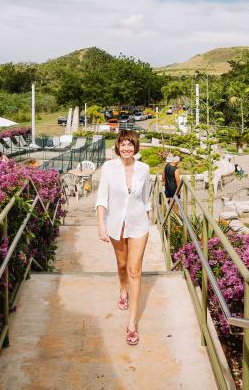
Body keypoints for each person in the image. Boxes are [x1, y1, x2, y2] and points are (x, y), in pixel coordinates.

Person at [95, 129, 151, 346]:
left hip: (139, 225)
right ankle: (122, 289)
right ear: (117, 146)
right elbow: (102, 199)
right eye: (123, 144)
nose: (126, 148)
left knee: (135, 271)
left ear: (135, 147)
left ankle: (131, 324)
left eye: (130, 144)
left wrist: (149, 221)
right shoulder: (108, 168)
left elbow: (146, 200)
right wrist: (101, 225)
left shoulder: (144, 169)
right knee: (122, 264)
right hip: (115, 225)